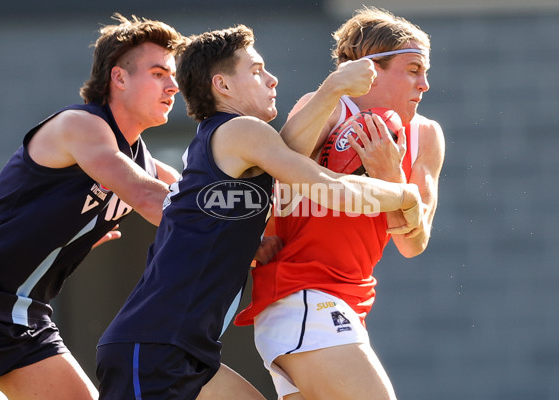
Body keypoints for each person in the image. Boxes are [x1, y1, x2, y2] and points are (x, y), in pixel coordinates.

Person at [95, 24, 424, 400]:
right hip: (153, 344)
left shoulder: (226, 140)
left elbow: (276, 164)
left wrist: (247, 242)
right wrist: (403, 194)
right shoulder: (241, 131)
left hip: (183, 350)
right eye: (256, 70)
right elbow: (328, 186)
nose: (272, 79)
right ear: (223, 86)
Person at [235, 6, 446, 400]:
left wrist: (390, 178)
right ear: (370, 70)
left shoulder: (426, 136)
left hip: (349, 303)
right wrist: (334, 87)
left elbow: (413, 243)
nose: (425, 84)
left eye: (426, 72)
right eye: (414, 69)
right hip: (300, 294)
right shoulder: (330, 106)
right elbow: (281, 162)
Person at [0, 14, 187, 400]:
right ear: (119, 78)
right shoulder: (81, 125)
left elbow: (198, 201)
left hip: (21, 313)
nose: (174, 86)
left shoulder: (147, 163)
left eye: (173, 75)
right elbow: (151, 198)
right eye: (159, 73)